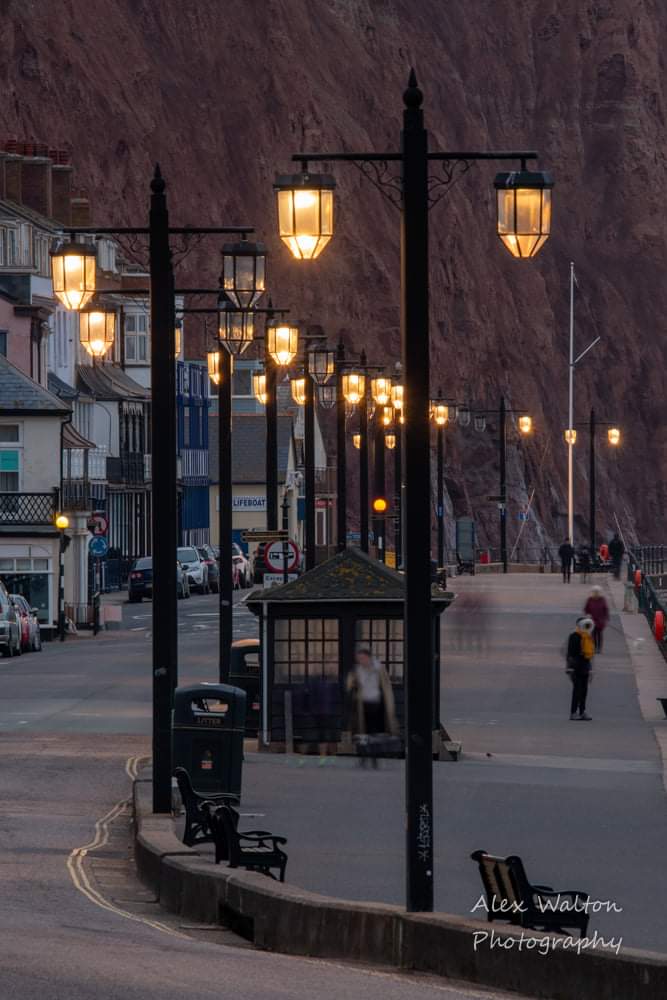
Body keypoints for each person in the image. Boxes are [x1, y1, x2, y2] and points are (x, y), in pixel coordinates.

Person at [346, 646, 398, 768]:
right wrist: (352, 686)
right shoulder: (357, 670)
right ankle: (363, 757)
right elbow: (349, 685)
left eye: (363, 658)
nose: (361, 661)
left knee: (375, 733)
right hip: (362, 705)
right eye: (359, 659)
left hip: (377, 704)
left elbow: (386, 686)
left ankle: (375, 758)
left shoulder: (379, 669)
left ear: (369, 658)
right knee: (362, 733)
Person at [566, 615, 595, 720]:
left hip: (585, 667)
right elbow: (570, 653)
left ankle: (582, 712)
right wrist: (569, 668)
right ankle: (573, 712)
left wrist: (591, 669)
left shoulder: (588, 636)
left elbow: (590, 655)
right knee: (577, 690)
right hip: (576, 667)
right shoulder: (574, 636)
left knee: (584, 690)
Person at [584, 584, 610, 653]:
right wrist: (588, 614)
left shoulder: (602, 600)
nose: (596, 593)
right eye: (594, 592)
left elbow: (606, 609)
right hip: (592, 620)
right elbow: (586, 609)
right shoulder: (590, 599)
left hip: (600, 621)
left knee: (599, 634)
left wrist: (606, 618)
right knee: (593, 634)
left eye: (597, 592)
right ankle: (594, 647)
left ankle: (599, 648)